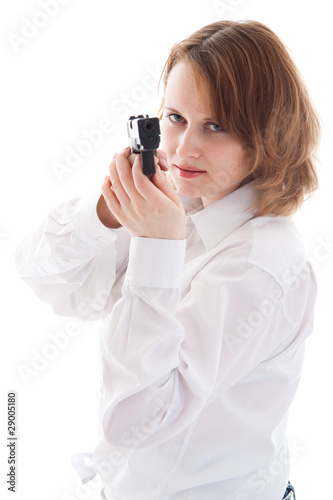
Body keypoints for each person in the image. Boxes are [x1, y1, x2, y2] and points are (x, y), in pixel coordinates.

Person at [15, 19, 320, 500]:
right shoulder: (186, 203)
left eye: (215, 126)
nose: (183, 148)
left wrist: (155, 248)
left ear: (269, 136)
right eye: (175, 117)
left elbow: (136, 420)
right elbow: (43, 275)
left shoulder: (260, 266)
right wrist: (105, 214)